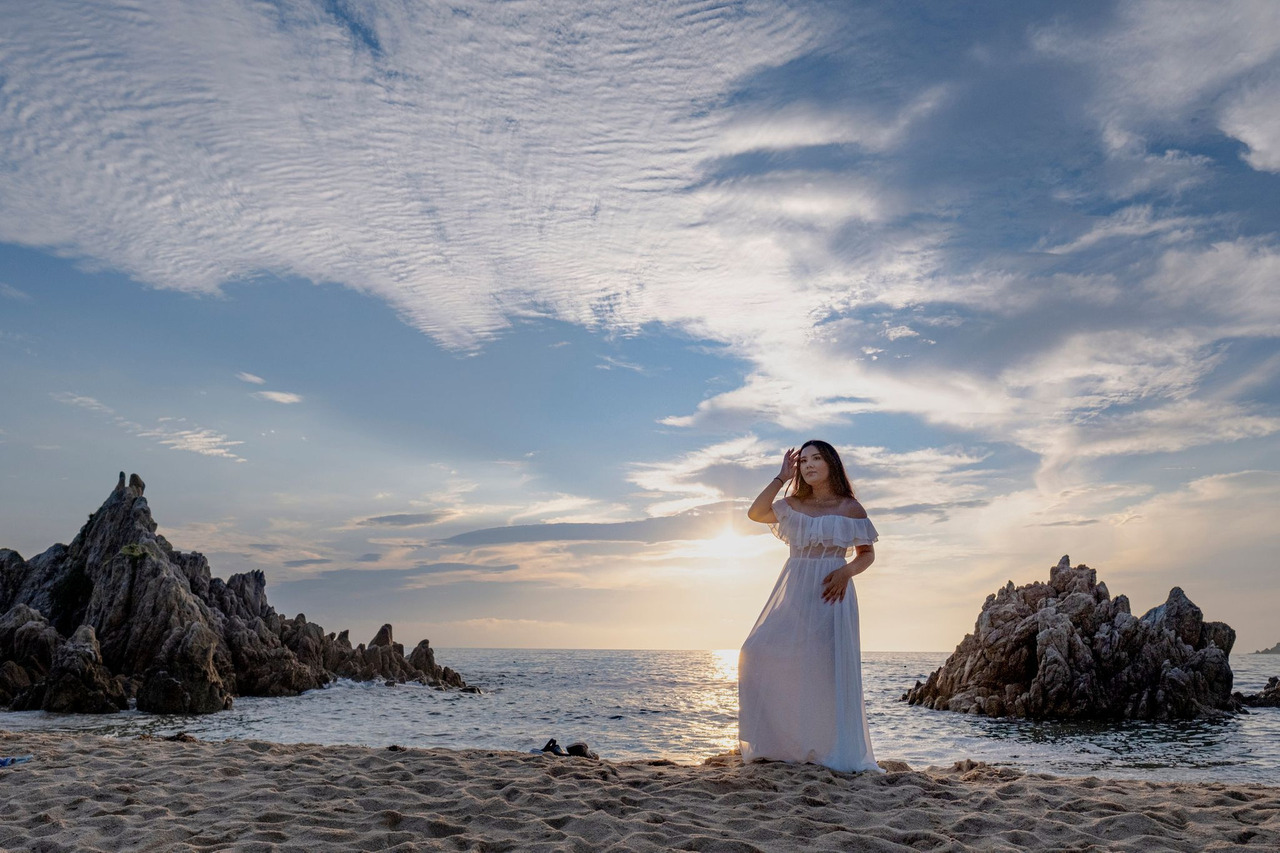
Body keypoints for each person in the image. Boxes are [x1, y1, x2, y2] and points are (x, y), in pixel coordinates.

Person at [738, 440, 883, 773]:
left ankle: (827, 748)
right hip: (794, 589)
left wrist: (846, 571)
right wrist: (780, 477)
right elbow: (756, 513)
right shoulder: (792, 503)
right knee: (755, 652)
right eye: (803, 461)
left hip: (833, 592)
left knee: (825, 671)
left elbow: (867, 553)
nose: (809, 465)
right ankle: (779, 744)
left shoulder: (850, 508)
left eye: (816, 458)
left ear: (831, 462)